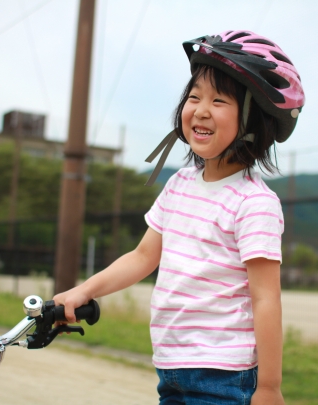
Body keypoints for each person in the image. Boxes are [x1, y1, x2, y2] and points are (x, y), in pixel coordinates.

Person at [54, 30, 305, 405]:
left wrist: (268, 387)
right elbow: (142, 257)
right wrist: (85, 290)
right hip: (171, 368)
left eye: (219, 100)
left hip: (224, 375)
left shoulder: (254, 203)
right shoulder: (179, 185)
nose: (201, 109)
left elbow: (266, 298)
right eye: (194, 96)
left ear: (255, 118)